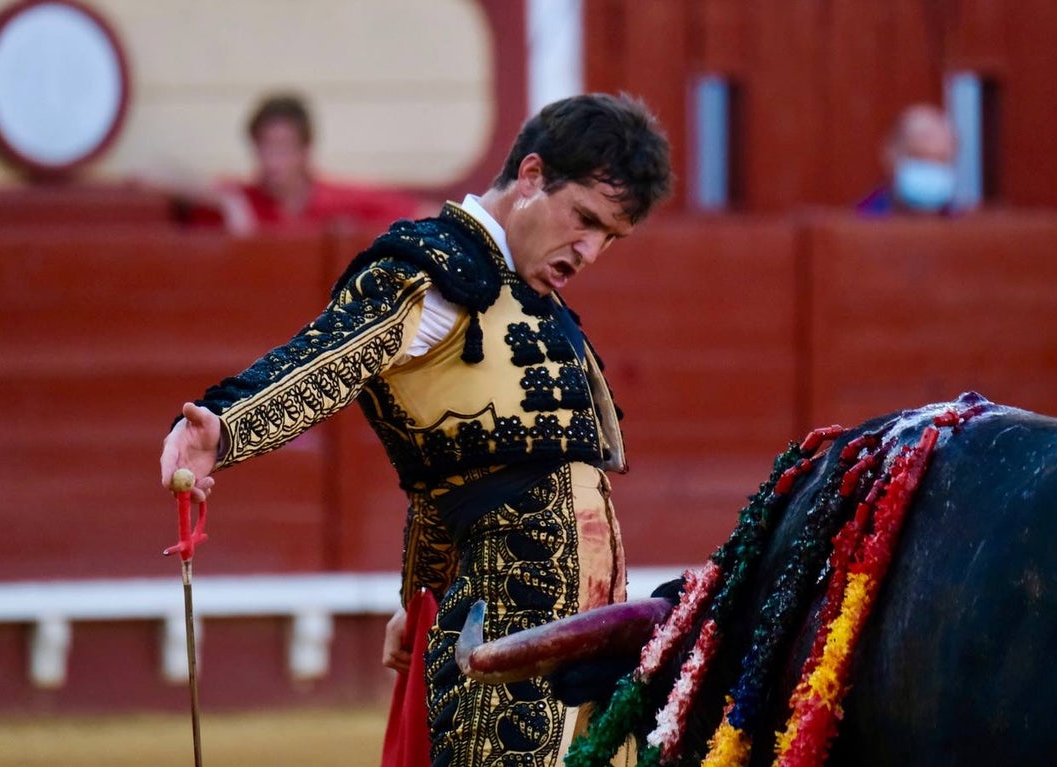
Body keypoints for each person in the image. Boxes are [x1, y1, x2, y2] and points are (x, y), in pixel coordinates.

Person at [159, 92, 673, 767]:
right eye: (583, 219)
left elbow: (455, 482)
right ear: (529, 176)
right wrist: (222, 428)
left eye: (609, 235)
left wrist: (422, 597)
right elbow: (328, 359)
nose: (590, 250)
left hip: (579, 645)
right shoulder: (431, 271)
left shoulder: (528, 296)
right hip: (510, 636)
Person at [141, 92, 428, 235]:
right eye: (264, 148)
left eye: (283, 149)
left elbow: (423, 213)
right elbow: (151, 172)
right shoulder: (242, 197)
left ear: (305, 151)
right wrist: (225, 203)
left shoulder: (337, 198)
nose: (272, 161)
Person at [856, 103, 959, 216]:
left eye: (941, 160)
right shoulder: (860, 224)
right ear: (891, 155)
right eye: (920, 157)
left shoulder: (963, 226)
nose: (930, 168)